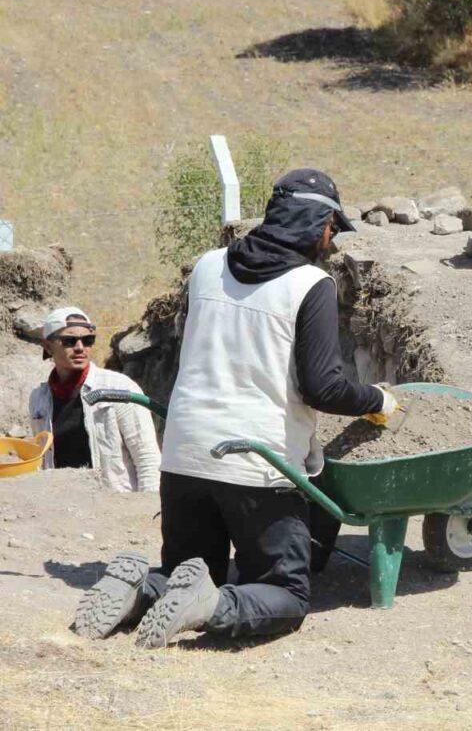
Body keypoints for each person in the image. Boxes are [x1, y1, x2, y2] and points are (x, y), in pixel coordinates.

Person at [73, 169, 398, 647]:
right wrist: (378, 399)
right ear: (316, 223)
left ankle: (139, 590)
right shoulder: (311, 285)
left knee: (189, 570)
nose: (330, 241)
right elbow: (324, 388)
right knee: (286, 593)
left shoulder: (207, 266)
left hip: (183, 455)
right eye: (331, 228)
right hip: (255, 465)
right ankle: (211, 607)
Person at [28, 306, 160, 492]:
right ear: (48, 346)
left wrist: (147, 505)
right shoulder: (38, 399)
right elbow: (42, 460)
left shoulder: (118, 388)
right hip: (62, 502)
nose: (80, 348)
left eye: (88, 340)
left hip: (113, 503)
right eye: (69, 341)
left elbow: (147, 457)